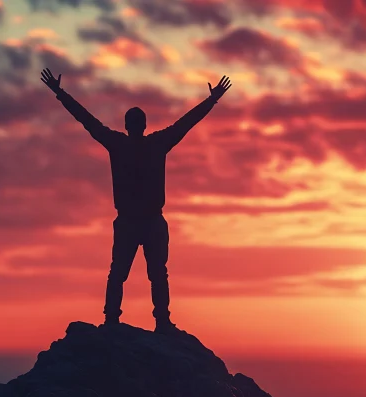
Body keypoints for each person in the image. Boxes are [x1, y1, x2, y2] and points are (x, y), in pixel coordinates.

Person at [40, 68, 232, 332]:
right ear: (143, 125)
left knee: (122, 273)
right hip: (144, 221)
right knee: (151, 274)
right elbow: (186, 123)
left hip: (137, 221)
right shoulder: (156, 143)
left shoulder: (118, 143)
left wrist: (60, 93)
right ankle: (157, 321)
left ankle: (116, 320)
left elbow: (87, 120)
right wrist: (212, 100)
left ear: (128, 125)